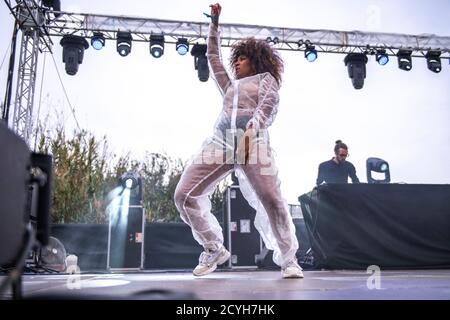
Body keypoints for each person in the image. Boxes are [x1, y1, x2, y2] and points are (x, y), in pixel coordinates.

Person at [174, 3, 303, 279]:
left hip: (253, 143)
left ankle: (289, 259)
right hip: (220, 143)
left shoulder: (265, 80)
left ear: (255, 61)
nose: (237, 62)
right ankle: (213, 248)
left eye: (242, 58)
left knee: (271, 198)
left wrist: (251, 131)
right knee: (184, 195)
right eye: (237, 59)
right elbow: (213, 56)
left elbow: (268, 104)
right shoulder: (230, 86)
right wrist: (214, 24)